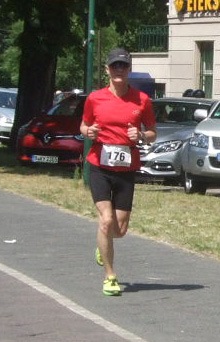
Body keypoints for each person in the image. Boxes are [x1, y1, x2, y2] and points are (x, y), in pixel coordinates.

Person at [80, 48, 157, 296]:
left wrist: (142, 135)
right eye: (115, 66)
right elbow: (84, 125)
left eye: (123, 66)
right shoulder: (95, 98)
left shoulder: (142, 100)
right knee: (106, 221)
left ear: (129, 69)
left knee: (119, 229)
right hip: (100, 166)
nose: (119, 70)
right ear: (107, 70)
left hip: (126, 168)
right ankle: (110, 276)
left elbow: (153, 132)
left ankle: (104, 246)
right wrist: (88, 132)